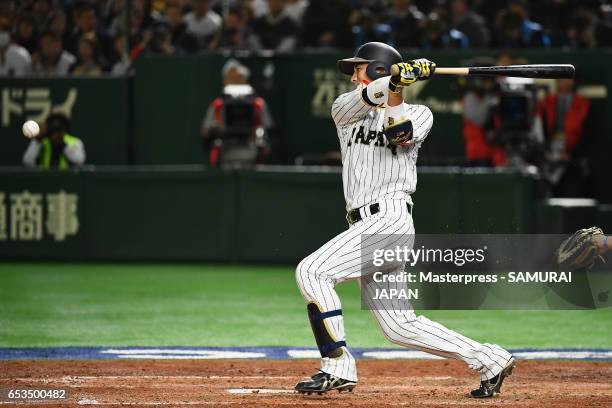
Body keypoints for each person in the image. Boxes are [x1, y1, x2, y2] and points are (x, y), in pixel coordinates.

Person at [293, 42, 515, 398]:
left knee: (312, 271)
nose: (352, 75)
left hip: (390, 220)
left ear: (379, 69)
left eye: (360, 68)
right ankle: (490, 358)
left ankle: (337, 366)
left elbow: (400, 136)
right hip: (365, 225)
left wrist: (397, 89)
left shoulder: (421, 113)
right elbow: (371, 96)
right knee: (400, 326)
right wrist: (394, 82)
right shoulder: (344, 108)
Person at [200, 59, 273, 168]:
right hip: (225, 157)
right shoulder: (218, 105)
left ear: (245, 80)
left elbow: (268, 132)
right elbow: (205, 133)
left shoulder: (258, 104)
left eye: (238, 79)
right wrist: (215, 131)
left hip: (253, 157)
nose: (235, 82)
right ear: (225, 81)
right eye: (231, 79)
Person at [537, 77, 590, 197]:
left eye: (568, 79)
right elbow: (541, 130)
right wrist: (546, 151)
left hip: (572, 159)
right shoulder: (546, 103)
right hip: (549, 158)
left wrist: (571, 154)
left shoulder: (583, 104)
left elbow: (587, 134)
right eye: (561, 79)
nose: (564, 82)